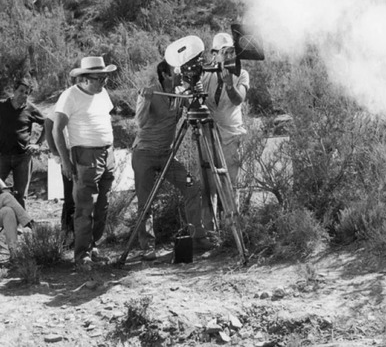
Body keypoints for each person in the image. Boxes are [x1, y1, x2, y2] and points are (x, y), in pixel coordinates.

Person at [131, 60, 212, 260]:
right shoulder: (152, 91)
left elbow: (194, 106)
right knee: (145, 201)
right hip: (144, 154)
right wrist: (146, 100)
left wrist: (195, 91)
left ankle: (198, 237)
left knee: (191, 186)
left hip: (167, 154)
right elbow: (139, 122)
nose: (180, 73)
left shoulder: (178, 92)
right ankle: (147, 246)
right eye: (176, 71)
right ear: (165, 75)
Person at [53, 56, 117, 271]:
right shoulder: (70, 96)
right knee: (84, 207)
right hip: (85, 155)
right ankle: (82, 255)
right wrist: (64, 159)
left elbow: (104, 119)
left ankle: (93, 247)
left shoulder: (102, 93)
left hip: (107, 153)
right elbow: (56, 128)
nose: (103, 83)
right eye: (100, 79)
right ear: (85, 79)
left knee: (103, 205)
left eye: (105, 79)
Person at [199, 32, 250, 231]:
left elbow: (238, 99)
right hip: (208, 134)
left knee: (231, 185)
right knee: (207, 184)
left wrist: (229, 84)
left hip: (231, 135)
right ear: (214, 54)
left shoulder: (241, 73)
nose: (228, 56)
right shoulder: (206, 75)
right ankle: (208, 230)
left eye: (231, 52)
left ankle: (231, 230)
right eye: (224, 52)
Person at [0, 78, 45, 208]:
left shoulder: (31, 109)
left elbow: (47, 125)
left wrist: (38, 144)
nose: (24, 94)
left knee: (21, 194)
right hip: (2, 156)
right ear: (14, 91)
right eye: (21, 91)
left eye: (27, 92)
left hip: (23, 157)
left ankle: (21, 226)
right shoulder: (1, 106)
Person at [45, 106, 75, 247]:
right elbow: (48, 123)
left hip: (85, 151)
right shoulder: (66, 99)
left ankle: (79, 234)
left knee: (82, 196)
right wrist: (55, 152)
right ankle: (66, 234)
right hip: (68, 153)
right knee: (70, 196)